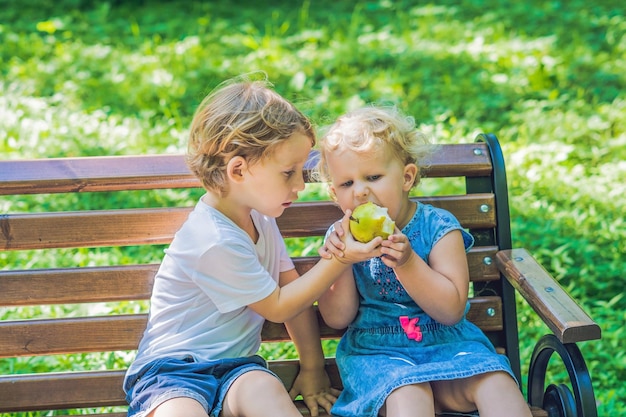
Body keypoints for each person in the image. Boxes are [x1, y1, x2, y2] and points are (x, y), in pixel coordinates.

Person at [123, 75, 381, 417]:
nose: (301, 185)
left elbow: (293, 292)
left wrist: (313, 370)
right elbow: (277, 306)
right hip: (172, 374)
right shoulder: (212, 239)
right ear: (238, 170)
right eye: (288, 173)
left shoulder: (260, 219)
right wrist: (341, 258)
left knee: (265, 390)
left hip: (238, 370)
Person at [315, 105, 533, 417]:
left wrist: (408, 264)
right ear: (334, 194)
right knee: (409, 393)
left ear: (406, 177)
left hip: (449, 348)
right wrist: (340, 260)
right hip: (381, 358)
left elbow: (450, 310)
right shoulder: (341, 238)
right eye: (346, 184)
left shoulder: (438, 228)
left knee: (496, 383)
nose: (360, 192)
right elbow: (337, 317)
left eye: (373, 177)